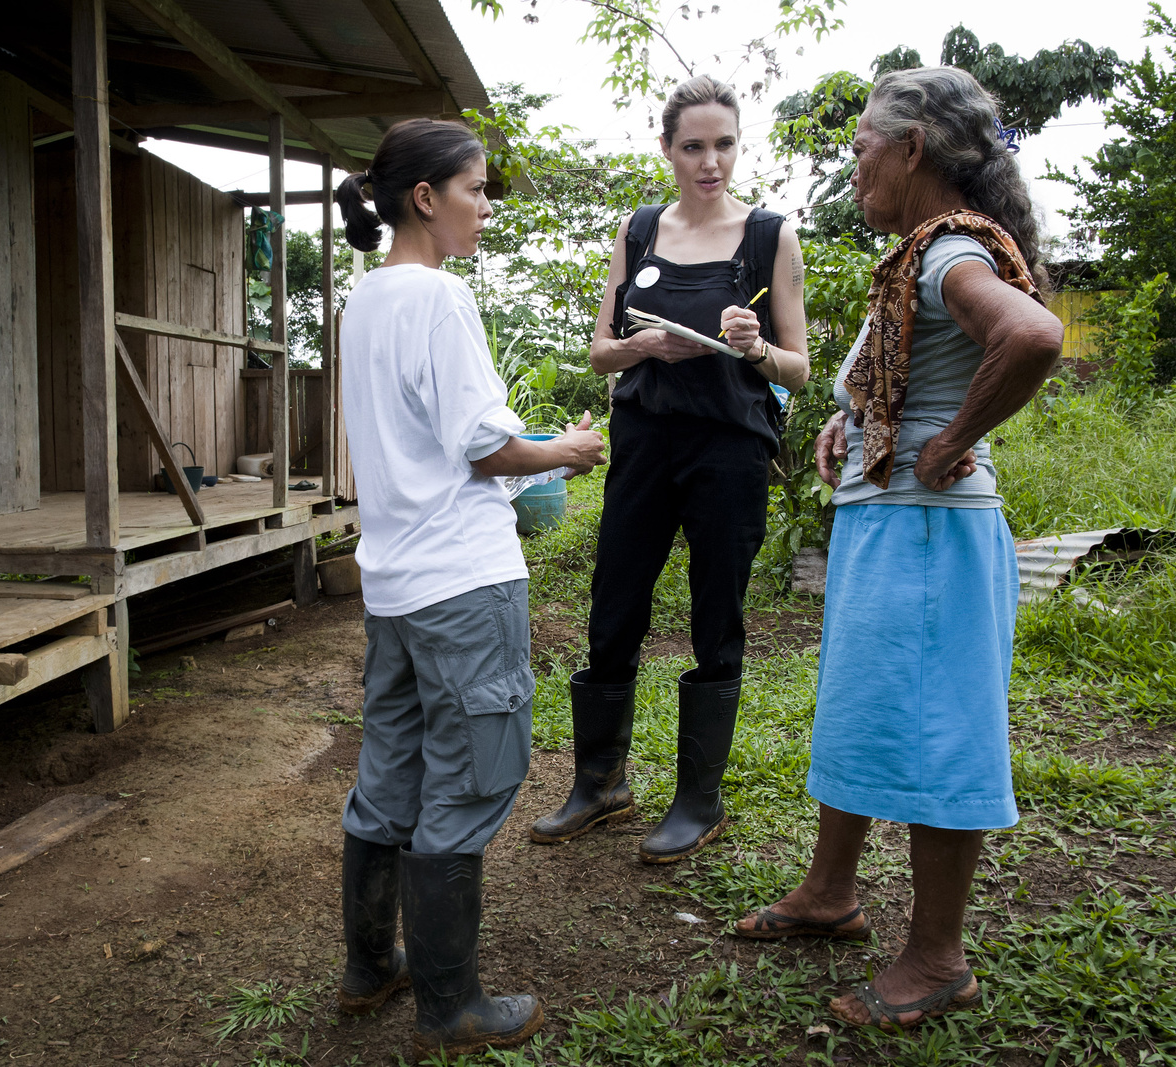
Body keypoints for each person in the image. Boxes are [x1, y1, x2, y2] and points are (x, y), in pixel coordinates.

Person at [734, 67, 1065, 1031]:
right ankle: (829, 891)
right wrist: (857, 423)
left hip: (928, 532)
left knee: (938, 730)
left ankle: (937, 956)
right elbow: (903, 380)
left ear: (913, 149)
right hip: (894, 525)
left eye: (863, 152)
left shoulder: (947, 251)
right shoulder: (926, 251)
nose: (855, 173)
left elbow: (1035, 337)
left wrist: (952, 438)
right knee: (865, 708)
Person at [331, 118, 607, 1057]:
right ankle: (449, 1006)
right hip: (464, 583)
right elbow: (485, 448)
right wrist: (567, 450)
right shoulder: (440, 301)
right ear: (425, 198)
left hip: (395, 582)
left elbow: (423, 442)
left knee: (391, 771)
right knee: (474, 772)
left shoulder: (362, 302)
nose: (485, 206)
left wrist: (531, 455)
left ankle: (370, 967)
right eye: (476, 189)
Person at [530, 75, 810, 863]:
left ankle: (699, 799)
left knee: (715, 612)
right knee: (614, 601)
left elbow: (800, 368)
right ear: (667, 149)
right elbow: (599, 350)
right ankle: (601, 784)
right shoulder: (641, 228)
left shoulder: (768, 236)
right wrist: (642, 345)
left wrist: (755, 348)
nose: (709, 161)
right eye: (693, 146)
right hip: (645, 439)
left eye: (723, 144)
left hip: (729, 446)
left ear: (737, 145)